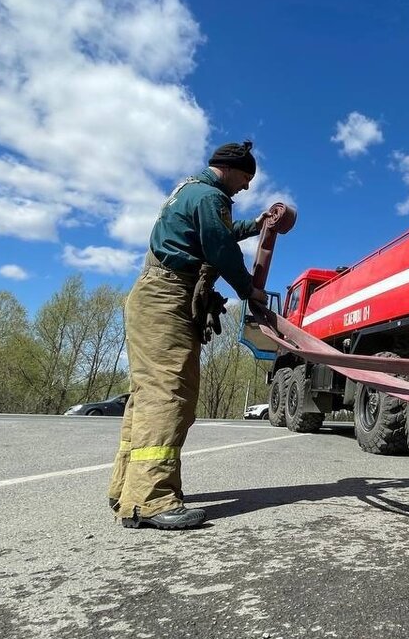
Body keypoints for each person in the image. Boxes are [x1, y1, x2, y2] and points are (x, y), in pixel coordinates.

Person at [107, 141, 269, 530]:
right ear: (230, 169)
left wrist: (258, 225)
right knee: (169, 391)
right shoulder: (208, 196)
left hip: (156, 294)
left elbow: (218, 233)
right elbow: (220, 247)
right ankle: (151, 499)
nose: (246, 187)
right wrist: (250, 290)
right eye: (246, 178)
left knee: (148, 394)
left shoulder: (192, 192)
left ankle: (127, 488)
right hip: (167, 297)